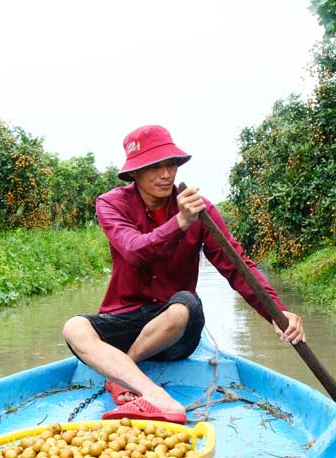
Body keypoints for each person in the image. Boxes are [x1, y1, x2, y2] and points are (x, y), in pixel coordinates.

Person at [62, 124, 305, 421]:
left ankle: (124, 372)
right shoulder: (112, 203)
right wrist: (179, 223)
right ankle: (152, 392)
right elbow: (134, 250)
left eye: (171, 164)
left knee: (184, 306)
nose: (165, 174)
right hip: (125, 319)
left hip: (174, 333)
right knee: (74, 328)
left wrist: (277, 313)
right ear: (134, 173)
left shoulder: (199, 210)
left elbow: (237, 266)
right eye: (154, 167)